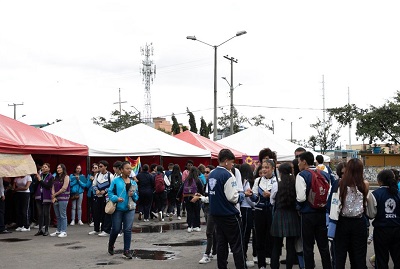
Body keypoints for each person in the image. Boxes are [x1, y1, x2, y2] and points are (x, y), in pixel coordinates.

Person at [209, 149, 247, 269]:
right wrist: (243, 195)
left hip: (216, 215)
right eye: (231, 162)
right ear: (226, 161)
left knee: (221, 245)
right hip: (229, 215)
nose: (232, 165)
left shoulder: (212, 173)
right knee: (237, 246)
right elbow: (233, 198)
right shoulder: (228, 174)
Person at [329, 158, 369, 269]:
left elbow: (332, 204)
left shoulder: (340, 183)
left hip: (342, 222)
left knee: (339, 256)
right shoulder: (364, 184)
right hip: (359, 223)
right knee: (359, 257)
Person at [295, 151, 331, 269]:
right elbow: (328, 193)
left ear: (304, 161)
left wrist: (298, 207)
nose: (298, 164)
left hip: (307, 214)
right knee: (324, 246)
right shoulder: (324, 174)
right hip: (321, 213)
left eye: (299, 161)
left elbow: (301, 197)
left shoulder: (302, 175)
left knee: (308, 247)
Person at [246, 159, 277, 268]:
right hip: (259, 213)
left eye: (267, 167)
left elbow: (281, 197)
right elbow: (255, 199)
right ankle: (261, 264)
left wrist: (271, 196)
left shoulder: (277, 180)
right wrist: (250, 195)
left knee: (273, 239)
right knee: (259, 239)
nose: (264, 169)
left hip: (272, 213)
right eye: (263, 167)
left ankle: (274, 263)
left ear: (273, 169)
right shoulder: (258, 180)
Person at [270, 162, 300, 269]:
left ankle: (274, 267)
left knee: (276, 246)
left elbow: (272, 200)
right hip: (292, 215)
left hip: (279, 214)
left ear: (280, 172)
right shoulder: (295, 183)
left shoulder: (276, 184)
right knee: (291, 246)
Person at [107, 161, 139, 259]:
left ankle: (127, 250)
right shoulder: (116, 181)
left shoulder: (133, 182)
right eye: (127, 168)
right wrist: (116, 198)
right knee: (116, 229)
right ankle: (111, 244)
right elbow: (110, 193)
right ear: (121, 170)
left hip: (130, 209)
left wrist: (133, 194)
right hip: (118, 209)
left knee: (127, 229)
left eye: (130, 169)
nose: (129, 170)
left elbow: (137, 197)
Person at [369, 169, 400, 269]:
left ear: (379, 181)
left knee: (381, 259)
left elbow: (371, 214)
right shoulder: (397, 194)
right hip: (397, 230)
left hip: (381, 231)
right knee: (398, 259)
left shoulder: (375, 194)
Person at [198, 164, 217, 264]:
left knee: (209, 232)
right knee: (212, 232)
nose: (205, 174)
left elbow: (212, 198)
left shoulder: (213, 183)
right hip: (206, 207)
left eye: (207, 172)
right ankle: (214, 251)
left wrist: (201, 198)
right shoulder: (207, 182)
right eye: (205, 172)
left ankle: (207, 254)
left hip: (211, 208)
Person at [90, 160, 114, 237]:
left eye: (101, 166)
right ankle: (96, 229)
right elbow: (94, 184)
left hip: (106, 197)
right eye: (99, 166)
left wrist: (105, 191)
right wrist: (96, 190)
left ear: (105, 167)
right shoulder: (97, 175)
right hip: (97, 197)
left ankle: (105, 229)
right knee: (96, 213)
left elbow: (112, 186)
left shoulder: (110, 175)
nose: (99, 168)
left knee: (105, 214)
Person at [240, 163, 257, 268]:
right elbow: (248, 197)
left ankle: (242, 255)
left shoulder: (240, 181)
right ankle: (243, 256)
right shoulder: (247, 182)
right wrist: (255, 205)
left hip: (241, 208)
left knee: (243, 233)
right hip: (247, 209)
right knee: (246, 234)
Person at [178, 166, 204, 232]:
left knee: (189, 212)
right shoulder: (198, 180)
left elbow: (181, 188)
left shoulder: (187, 180)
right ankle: (197, 226)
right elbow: (201, 190)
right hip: (196, 197)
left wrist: (178, 196)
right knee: (196, 212)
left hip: (187, 198)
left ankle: (190, 226)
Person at [34, 163, 54, 236]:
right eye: (43, 167)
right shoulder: (40, 176)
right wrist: (37, 179)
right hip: (39, 196)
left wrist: (40, 180)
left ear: (49, 169)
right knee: (40, 214)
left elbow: (48, 186)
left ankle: (46, 230)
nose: (44, 168)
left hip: (47, 197)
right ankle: (40, 229)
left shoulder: (51, 177)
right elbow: (35, 185)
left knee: (46, 213)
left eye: (45, 167)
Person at [51, 164, 70, 238]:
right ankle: (58, 230)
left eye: (59, 168)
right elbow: (52, 187)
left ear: (63, 169)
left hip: (63, 197)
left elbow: (64, 188)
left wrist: (55, 194)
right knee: (57, 215)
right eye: (57, 168)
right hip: (55, 198)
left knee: (63, 215)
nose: (58, 169)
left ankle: (64, 231)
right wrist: (53, 195)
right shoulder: (55, 177)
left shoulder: (66, 177)